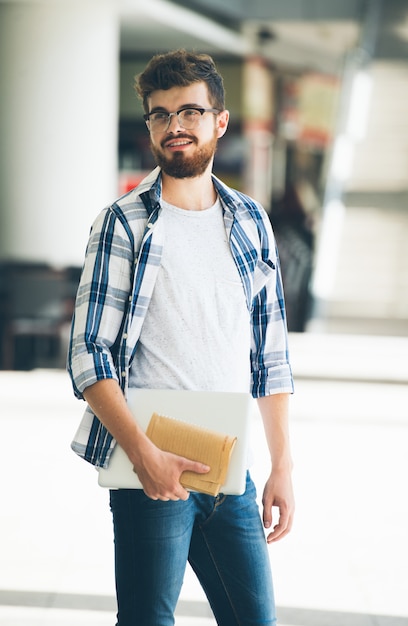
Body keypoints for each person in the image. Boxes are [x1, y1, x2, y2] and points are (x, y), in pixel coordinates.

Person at [67, 49, 295, 626]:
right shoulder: (124, 223)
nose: (175, 126)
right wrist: (144, 458)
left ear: (219, 122)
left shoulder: (250, 220)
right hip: (151, 463)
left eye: (190, 112)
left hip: (229, 467)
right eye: (160, 114)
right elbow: (89, 357)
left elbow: (270, 353)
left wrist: (283, 466)